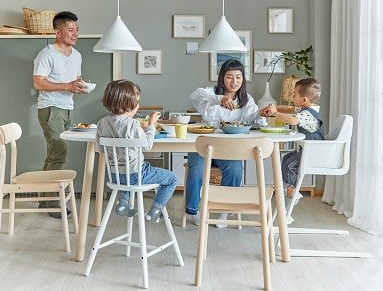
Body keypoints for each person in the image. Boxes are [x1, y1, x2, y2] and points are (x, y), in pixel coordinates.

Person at [187, 59, 265, 227]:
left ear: (243, 79)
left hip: (228, 149)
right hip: (204, 146)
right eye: (229, 77)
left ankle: (224, 211)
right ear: (222, 77)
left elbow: (254, 119)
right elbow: (194, 96)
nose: (234, 81)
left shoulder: (246, 100)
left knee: (236, 169)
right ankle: (194, 211)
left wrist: (262, 114)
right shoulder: (209, 93)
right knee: (197, 169)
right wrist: (219, 99)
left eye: (238, 77)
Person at [95, 80, 178, 223]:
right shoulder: (133, 124)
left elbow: (100, 149)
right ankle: (154, 211)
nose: (138, 105)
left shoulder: (101, 123)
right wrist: (151, 125)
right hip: (136, 174)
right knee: (172, 179)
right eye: (137, 102)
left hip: (115, 176)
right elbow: (147, 145)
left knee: (127, 176)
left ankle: (122, 203)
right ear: (129, 105)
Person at [33, 11, 85, 218]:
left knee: (54, 154)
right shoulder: (46, 54)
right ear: (58, 32)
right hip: (50, 108)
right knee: (59, 152)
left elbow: (75, 79)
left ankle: (45, 200)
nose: (75, 34)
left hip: (67, 108)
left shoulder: (77, 55)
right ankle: (53, 202)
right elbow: (38, 82)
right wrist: (67, 85)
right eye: (71, 30)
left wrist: (79, 85)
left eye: (77, 30)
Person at [260, 78, 324, 201]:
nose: (292, 96)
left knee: (290, 165)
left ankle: (291, 193)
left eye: (294, 94)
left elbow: (292, 120)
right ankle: (288, 187)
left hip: (313, 151)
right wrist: (273, 108)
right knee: (287, 159)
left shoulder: (308, 114)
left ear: (304, 99)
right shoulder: (306, 109)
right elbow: (288, 109)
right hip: (306, 149)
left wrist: (276, 114)